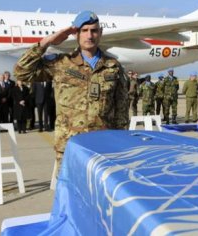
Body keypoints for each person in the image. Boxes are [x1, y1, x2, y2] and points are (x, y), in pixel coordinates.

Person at [14, 10, 129, 172]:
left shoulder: (112, 66)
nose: (90, 36)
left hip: (104, 148)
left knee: (101, 195)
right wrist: (47, 42)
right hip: (70, 146)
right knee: (71, 194)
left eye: (94, 30)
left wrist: (120, 146)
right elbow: (22, 72)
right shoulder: (62, 64)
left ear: (100, 33)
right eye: (84, 30)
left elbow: (122, 110)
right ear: (76, 34)